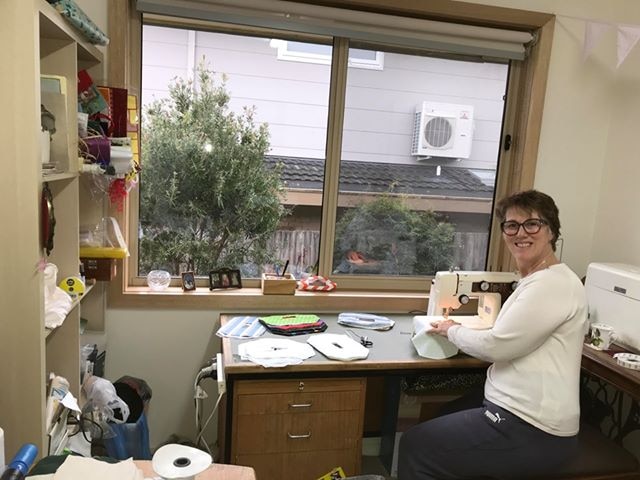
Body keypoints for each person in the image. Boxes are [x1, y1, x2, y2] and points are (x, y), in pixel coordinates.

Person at [398, 189, 588, 479]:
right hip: (516, 409)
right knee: (443, 415)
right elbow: (510, 333)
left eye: (532, 224)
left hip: (533, 427)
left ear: (551, 231)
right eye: (511, 225)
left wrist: (452, 329)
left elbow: (497, 346)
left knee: (415, 445)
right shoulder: (536, 280)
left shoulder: (552, 285)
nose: (520, 233)